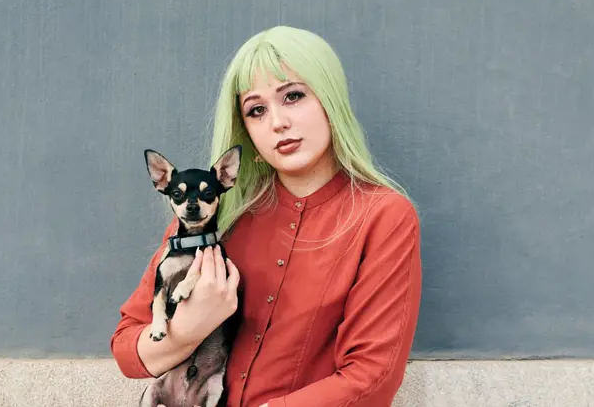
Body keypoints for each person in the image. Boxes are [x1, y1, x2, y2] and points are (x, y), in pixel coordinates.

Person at [111, 25, 422, 407]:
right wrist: (186, 330)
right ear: (247, 133)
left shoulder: (384, 217)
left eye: (293, 96)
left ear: (330, 101)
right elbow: (127, 349)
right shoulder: (213, 219)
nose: (277, 122)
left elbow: (372, 376)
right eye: (256, 110)